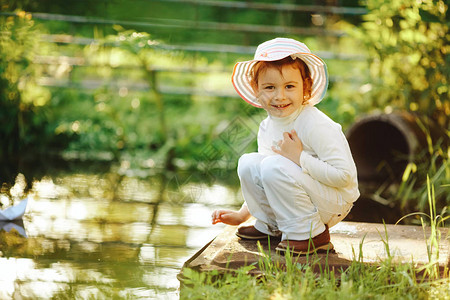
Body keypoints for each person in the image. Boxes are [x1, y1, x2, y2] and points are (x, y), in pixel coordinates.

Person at [211, 38, 359, 255]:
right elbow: (266, 178)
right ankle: (270, 225)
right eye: (270, 87)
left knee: (273, 165)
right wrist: (244, 214)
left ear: (305, 86)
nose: (280, 96)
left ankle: (312, 234)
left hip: (333, 202)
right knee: (249, 163)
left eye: (289, 86)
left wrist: (299, 158)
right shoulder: (267, 126)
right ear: (256, 89)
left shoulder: (315, 124)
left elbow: (343, 177)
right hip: (305, 195)